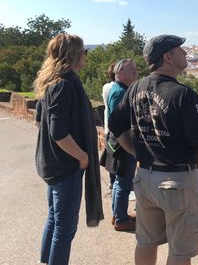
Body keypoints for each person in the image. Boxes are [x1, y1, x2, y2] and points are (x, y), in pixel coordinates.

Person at [109, 34, 198, 265]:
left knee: (146, 242)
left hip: (145, 177)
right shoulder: (184, 95)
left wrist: (136, 151)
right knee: (180, 251)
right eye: (180, 50)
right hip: (178, 180)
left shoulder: (135, 88)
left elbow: (115, 124)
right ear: (167, 57)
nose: (186, 53)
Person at [33, 34, 104, 265]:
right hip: (66, 167)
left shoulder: (50, 82)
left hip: (53, 165)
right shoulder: (64, 85)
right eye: (84, 50)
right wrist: (82, 156)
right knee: (64, 230)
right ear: (72, 54)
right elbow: (58, 132)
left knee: (54, 220)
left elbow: (39, 122)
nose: (86, 54)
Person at [108, 59, 139, 231]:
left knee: (120, 181)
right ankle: (121, 219)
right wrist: (131, 147)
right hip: (123, 143)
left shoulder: (121, 89)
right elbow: (118, 123)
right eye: (131, 69)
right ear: (119, 73)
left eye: (135, 68)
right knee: (124, 182)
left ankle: (118, 215)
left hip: (118, 142)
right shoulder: (121, 92)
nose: (136, 71)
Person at [102, 62, 117, 189]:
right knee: (116, 154)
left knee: (110, 153)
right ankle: (115, 181)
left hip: (107, 124)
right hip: (115, 127)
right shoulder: (116, 89)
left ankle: (112, 180)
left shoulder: (106, 87)